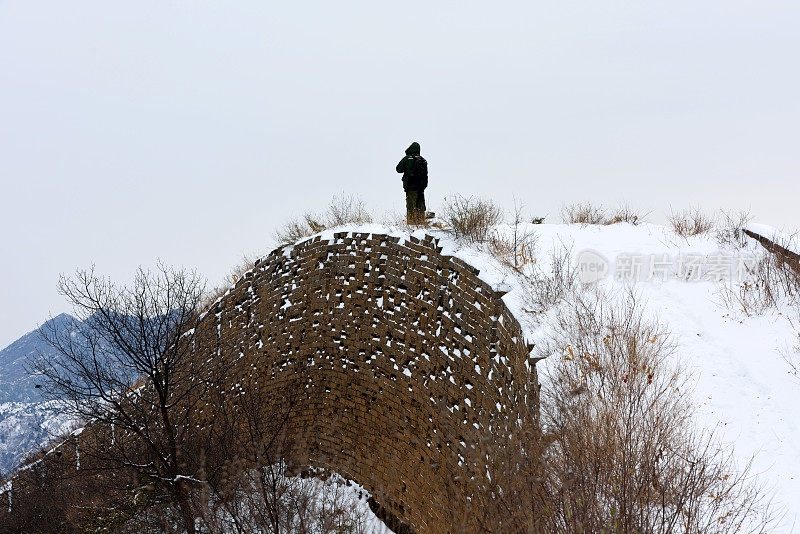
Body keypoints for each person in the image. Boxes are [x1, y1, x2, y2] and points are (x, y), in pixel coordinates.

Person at [396, 141, 428, 225]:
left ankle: (411, 225)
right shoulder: (423, 160)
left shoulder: (407, 158)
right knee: (420, 206)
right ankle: (421, 223)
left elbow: (398, 169)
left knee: (411, 206)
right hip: (421, 187)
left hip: (411, 187)